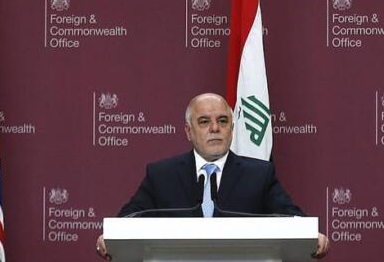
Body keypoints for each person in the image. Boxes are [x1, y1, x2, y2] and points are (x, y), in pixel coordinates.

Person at [95, 93, 330, 260]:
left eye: (223, 121)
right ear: (188, 131)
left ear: (231, 129)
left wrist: (311, 235)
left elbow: (290, 218)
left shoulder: (259, 174)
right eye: (204, 121)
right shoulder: (161, 175)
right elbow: (130, 218)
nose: (215, 128)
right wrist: (110, 237)